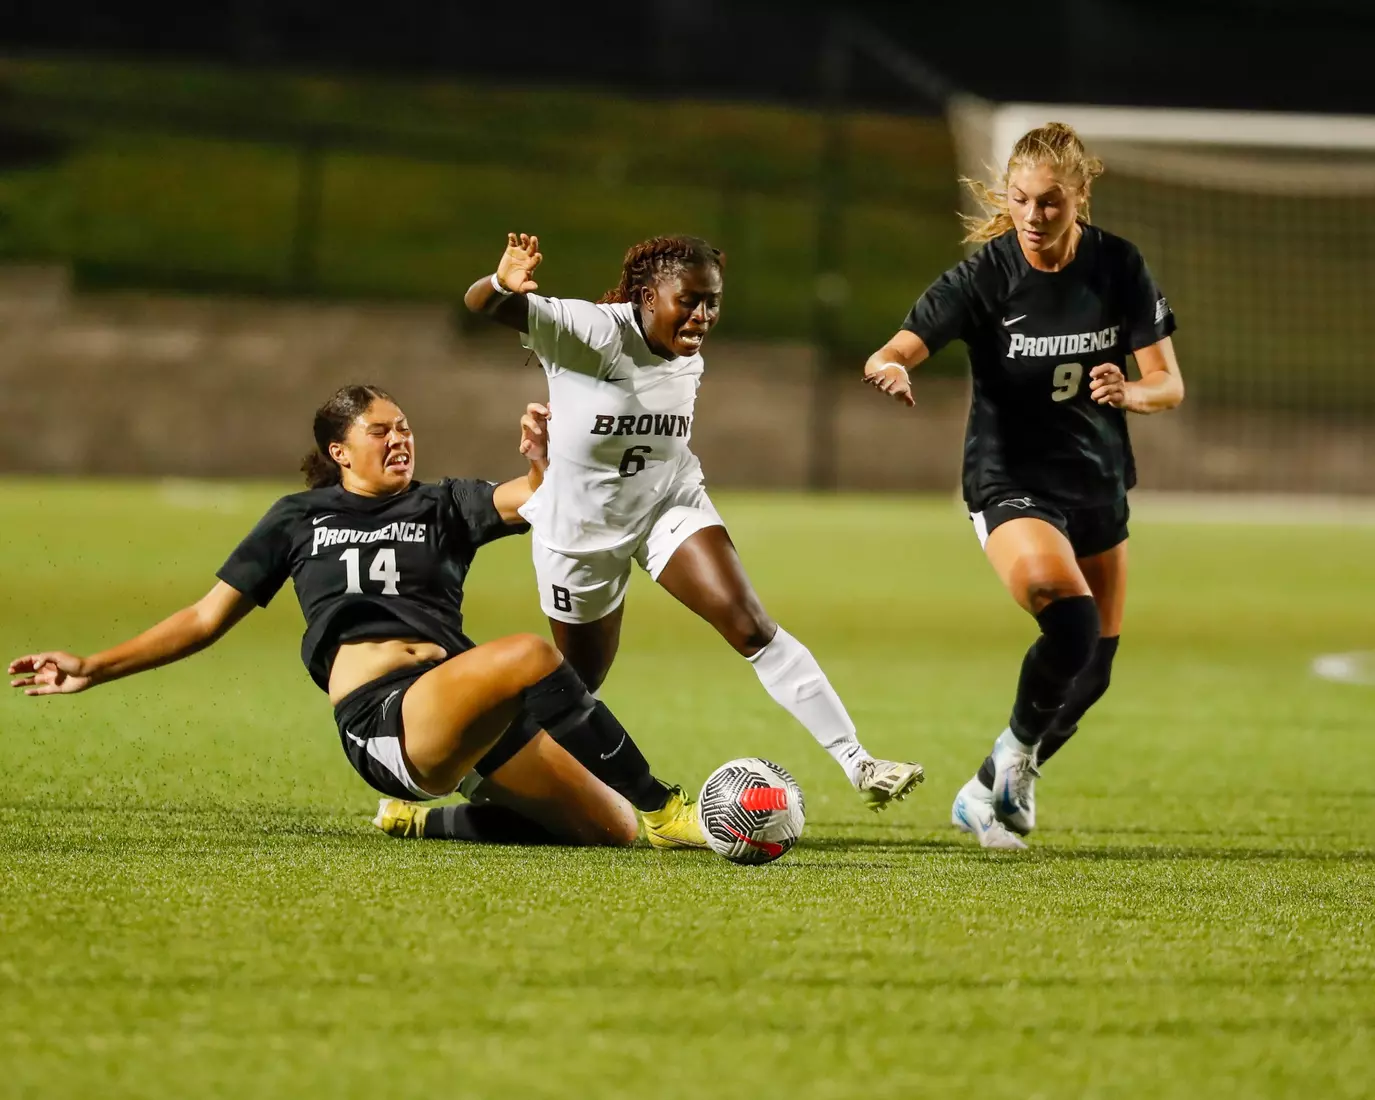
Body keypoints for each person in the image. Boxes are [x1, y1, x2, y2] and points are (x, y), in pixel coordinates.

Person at [8, 384, 705, 848]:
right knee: (527, 655)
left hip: (461, 709)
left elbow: (538, 499)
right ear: (340, 451)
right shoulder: (296, 518)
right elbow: (203, 619)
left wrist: (545, 460)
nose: (400, 438)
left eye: (404, 427)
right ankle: (666, 809)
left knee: (608, 833)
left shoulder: (442, 504)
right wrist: (92, 667)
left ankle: (425, 824)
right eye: (380, 431)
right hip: (385, 722)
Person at [464, 233, 924, 810]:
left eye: (713, 302)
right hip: (580, 530)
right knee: (574, 690)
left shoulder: (684, 350)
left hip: (667, 503)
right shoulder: (591, 330)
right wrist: (503, 284)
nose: (703, 316)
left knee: (749, 624)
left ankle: (859, 763)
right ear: (647, 296)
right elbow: (483, 305)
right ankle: (479, 779)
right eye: (690, 301)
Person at [862, 122, 1185, 849]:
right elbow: (899, 344)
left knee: (1091, 671)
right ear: (1004, 198)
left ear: (1079, 197)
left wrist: (1130, 393)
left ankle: (993, 779)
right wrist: (890, 364)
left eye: (1050, 203)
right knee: (1063, 614)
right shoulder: (985, 277)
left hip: (1096, 482)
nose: (1033, 217)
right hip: (1008, 480)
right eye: (1019, 201)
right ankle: (1005, 770)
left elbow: (1167, 383)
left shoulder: (1117, 267)